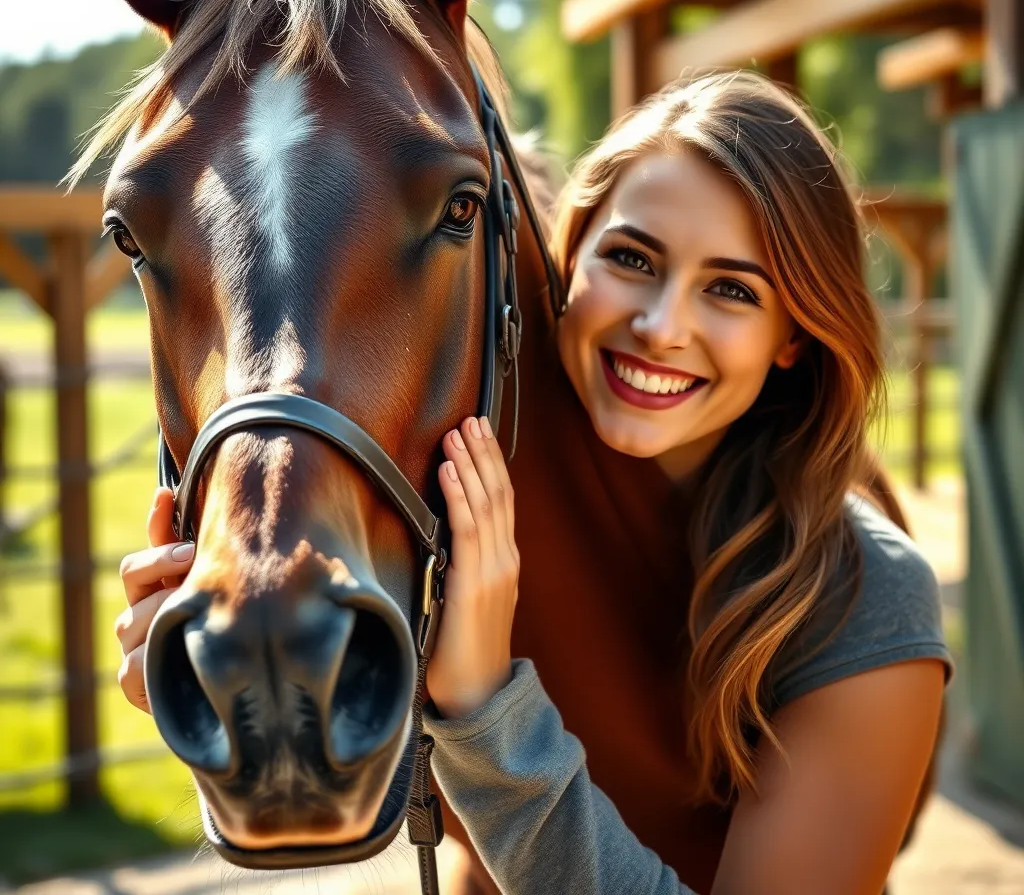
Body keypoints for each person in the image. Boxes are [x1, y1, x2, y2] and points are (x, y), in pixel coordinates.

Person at [116, 71, 952, 894]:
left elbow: (473, 732)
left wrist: (486, 707)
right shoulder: (461, 480)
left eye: (731, 289)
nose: (661, 329)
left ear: (794, 336)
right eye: (631, 257)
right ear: (569, 252)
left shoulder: (867, 593)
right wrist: (236, 662)